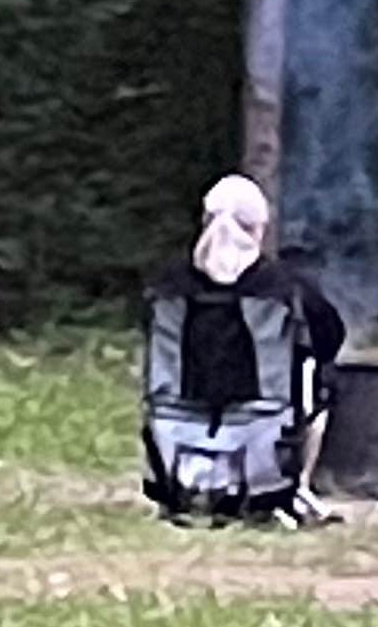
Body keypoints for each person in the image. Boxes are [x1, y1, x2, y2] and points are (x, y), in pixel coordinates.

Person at [140, 173, 347, 525]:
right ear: (257, 230)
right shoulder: (284, 288)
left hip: (176, 426)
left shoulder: (167, 287)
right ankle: (295, 490)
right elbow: (330, 337)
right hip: (262, 429)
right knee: (322, 383)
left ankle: (184, 493)